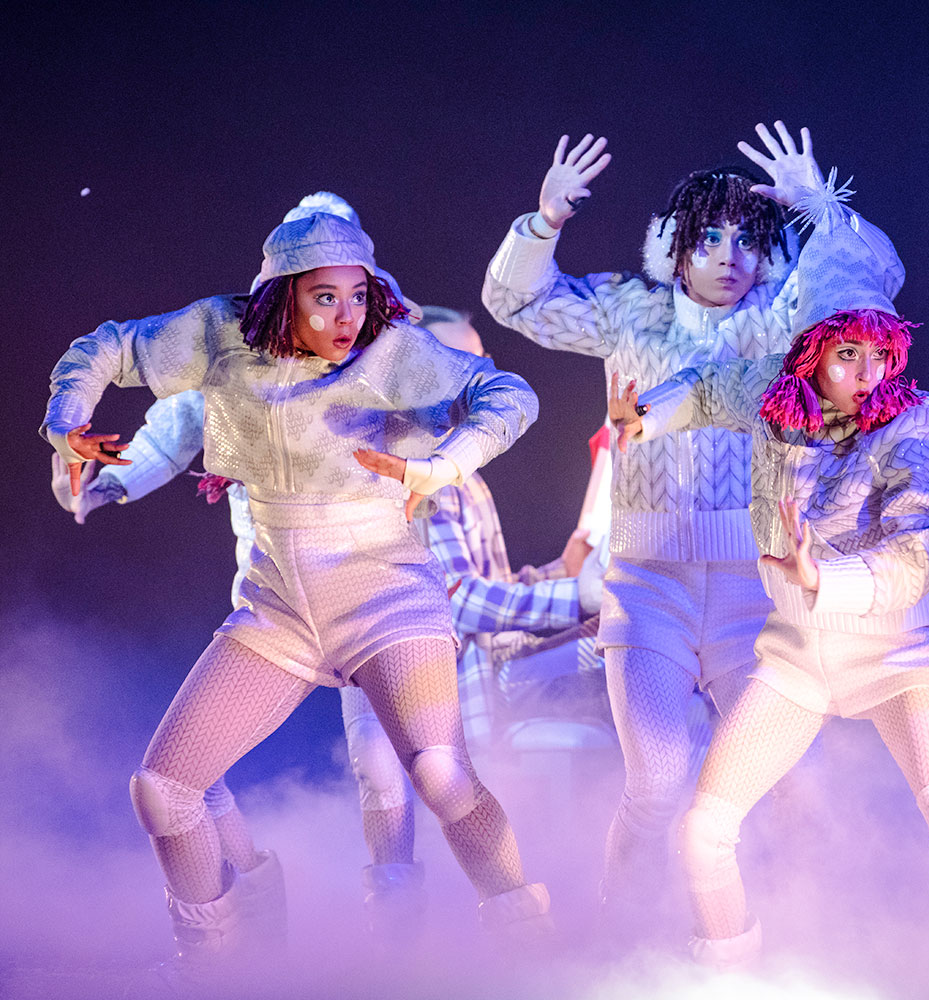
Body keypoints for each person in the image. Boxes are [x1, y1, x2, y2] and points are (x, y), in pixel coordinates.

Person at [42, 211, 550, 971]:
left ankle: (527, 944)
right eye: (323, 298)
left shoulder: (390, 352)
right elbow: (110, 350)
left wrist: (443, 463)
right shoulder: (222, 338)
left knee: (437, 775)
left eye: (356, 295)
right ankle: (215, 965)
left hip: (385, 594)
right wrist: (67, 423)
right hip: (278, 605)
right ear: (281, 296)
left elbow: (508, 393)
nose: (345, 316)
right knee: (162, 789)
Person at [612, 177, 929, 993]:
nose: (866, 370)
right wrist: (651, 413)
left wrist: (830, 579)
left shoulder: (914, 417)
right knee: (705, 828)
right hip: (798, 662)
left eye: (879, 351)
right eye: (847, 352)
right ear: (812, 349)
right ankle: (727, 977)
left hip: (897, 658)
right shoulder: (777, 401)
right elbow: (707, 387)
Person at [481, 122, 822, 910]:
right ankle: (617, 934)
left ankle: (794, 938)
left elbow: (875, 285)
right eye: (709, 238)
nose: (729, 256)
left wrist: (823, 212)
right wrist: (544, 223)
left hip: (754, 591)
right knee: (660, 782)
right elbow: (512, 302)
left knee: (789, 788)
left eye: (747, 239)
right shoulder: (629, 310)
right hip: (648, 587)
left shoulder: (782, 319)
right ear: (675, 247)